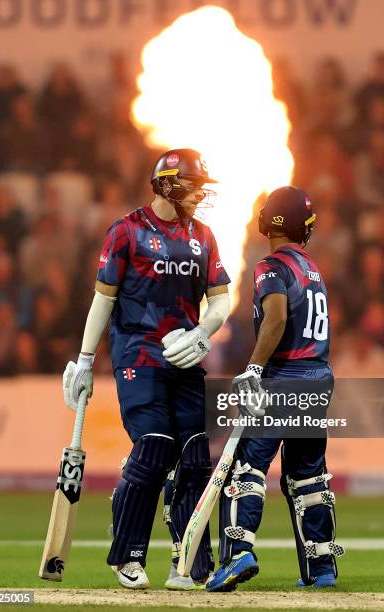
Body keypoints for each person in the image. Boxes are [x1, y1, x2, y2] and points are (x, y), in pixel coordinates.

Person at [62, 148, 230, 590]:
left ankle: (188, 559)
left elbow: (221, 298)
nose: (200, 195)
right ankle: (128, 553)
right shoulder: (126, 231)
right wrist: (83, 359)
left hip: (186, 358)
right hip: (139, 356)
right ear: (168, 185)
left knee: (195, 455)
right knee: (155, 447)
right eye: (193, 186)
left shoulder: (205, 235)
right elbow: (104, 298)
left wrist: (202, 333)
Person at [206, 186, 344, 592]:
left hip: (285, 377)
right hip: (318, 379)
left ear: (274, 221)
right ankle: (321, 568)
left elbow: (277, 318)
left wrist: (253, 367)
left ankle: (238, 554)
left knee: (245, 468)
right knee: (308, 478)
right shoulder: (312, 269)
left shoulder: (271, 266)